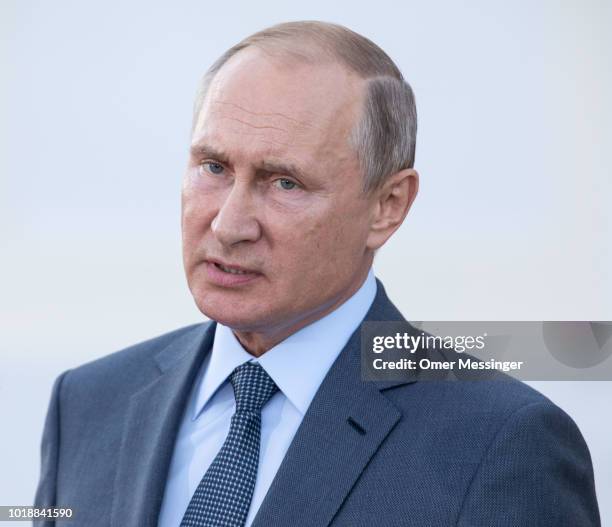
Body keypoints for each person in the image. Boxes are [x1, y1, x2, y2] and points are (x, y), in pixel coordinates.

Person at [34, 21, 600, 527]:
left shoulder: (501, 446)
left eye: (284, 183)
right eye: (213, 167)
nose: (230, 225)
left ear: (388, 205)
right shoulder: (88, 403)